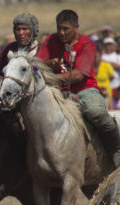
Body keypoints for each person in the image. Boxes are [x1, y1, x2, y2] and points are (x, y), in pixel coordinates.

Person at [37, 9, 120, 167]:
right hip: (55, 90)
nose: (61, 32)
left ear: (76, 27)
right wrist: (48, 64)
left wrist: (50, 77)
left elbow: (79, 75)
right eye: (59, 28)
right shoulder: (50, 40)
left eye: (66, 29)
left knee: (96, 112)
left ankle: (116, 149)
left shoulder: (86, 43)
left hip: (84, 89)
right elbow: (36, 64)